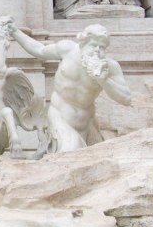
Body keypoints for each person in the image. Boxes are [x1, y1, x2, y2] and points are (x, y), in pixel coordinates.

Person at [9, 22, 132, 153]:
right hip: (61, 118)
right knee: (71, 153)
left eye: (102, 47)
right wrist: (15, 32)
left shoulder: (110, 67)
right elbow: (40, 50)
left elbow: (126, 98)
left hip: (88, 123)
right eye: (93, 45)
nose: (97, 50)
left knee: (97, 158)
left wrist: (104, 80)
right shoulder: (67, 50)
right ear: (83, 44)